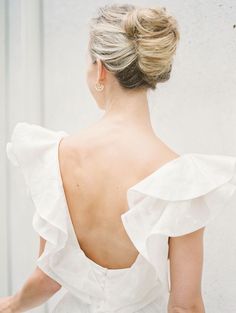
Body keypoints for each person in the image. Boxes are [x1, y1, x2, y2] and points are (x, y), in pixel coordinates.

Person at [1, 3, 236, 313]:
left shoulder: (56, 157)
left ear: (100, 68)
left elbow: (48, 278)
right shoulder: (182, 180)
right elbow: (185, 306)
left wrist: (10, 305)